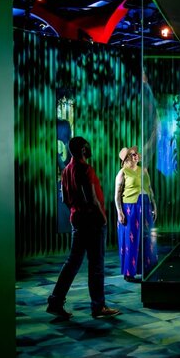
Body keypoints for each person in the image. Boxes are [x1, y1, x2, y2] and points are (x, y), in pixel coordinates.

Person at [47, 137, 121, 320]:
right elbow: (92, 199)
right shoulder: (85, 169)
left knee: (72, 263)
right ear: (82, 150)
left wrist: (76, 210)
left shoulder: (66, 171)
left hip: (77, 220)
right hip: (93, 222)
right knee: (96, 265)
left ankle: (55, 301)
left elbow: (65, 199)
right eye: (87, 146)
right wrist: (103, 219)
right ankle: (98, 306)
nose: (89, 148)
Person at [115, 146, 158, 282]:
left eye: (136, 154)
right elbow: (117, 194)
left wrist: (154, 204)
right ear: (126, 159)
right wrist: (119, 212)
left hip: (145, 203)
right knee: (131, 239)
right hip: (130, 206)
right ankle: (129, 272)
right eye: (132, 154)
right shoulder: (123, 172)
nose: (136, 156)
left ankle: (147, 268)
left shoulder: (143, 170)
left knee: (147, 237)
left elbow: (149, 188)